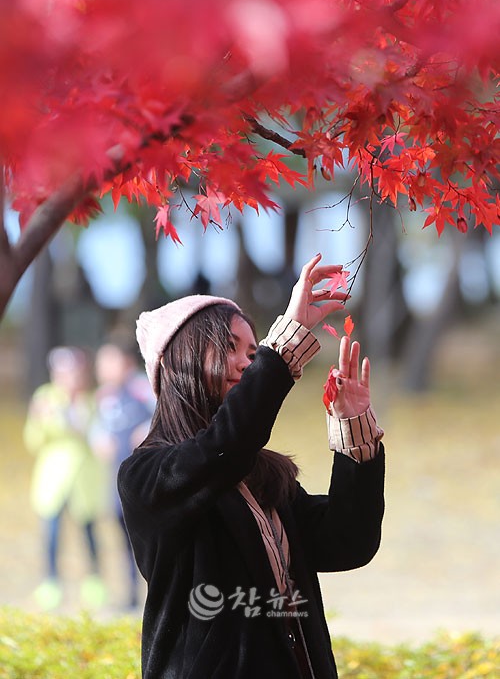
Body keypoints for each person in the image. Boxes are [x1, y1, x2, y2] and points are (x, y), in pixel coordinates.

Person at [118, 254, 385, 679]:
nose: (247, 362)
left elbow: (349, 541)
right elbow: (224, 446)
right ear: (181, 361)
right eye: (229, 348)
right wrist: (284, 347)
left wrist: (355, 438)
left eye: (252, 351)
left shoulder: (262, 478)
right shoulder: (147, 476)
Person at [23, 346, 107, 611]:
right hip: (53, 479)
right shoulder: (45, 398)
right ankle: (50, 583)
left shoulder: (92, 401)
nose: (69, 377)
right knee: (51, 534)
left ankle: (95, 580)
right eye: (63, 372)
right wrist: (40, 419)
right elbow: (32, 440)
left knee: (89, 532)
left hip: (84, 479)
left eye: (74, 371)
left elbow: (97, 438)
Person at [92, 336, 154, 609]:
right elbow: (96, 426)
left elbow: (164, 412)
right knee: (125, 540)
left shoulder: (143, 388)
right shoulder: (104, 396)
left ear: (126, 362)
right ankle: (129, 594)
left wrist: (147, 430)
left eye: (108, 361)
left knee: (150, 541)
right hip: (117, 481)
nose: (102, 368)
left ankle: (156, 594)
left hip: (146, 481)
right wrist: (97, 438)